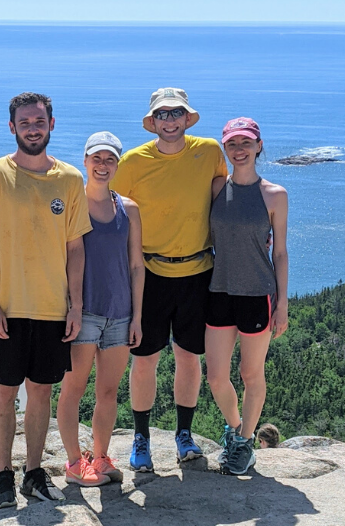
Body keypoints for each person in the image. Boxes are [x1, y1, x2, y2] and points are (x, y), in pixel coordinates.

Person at [0, 92, 91, 509]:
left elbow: (75, 249)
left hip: (52, 309)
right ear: (12, 127)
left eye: (39, 121)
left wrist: (76, 305)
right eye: (24, 122)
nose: (32, 128)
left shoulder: (70, 179)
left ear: (52, 124)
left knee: (41, 394)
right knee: (3, 393)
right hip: (5, 310)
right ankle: (3, 474)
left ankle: (34, 472)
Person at [110, 87, 228, 472]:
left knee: (189, 358)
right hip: (149, 273)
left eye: (177, 113)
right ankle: (141, 437)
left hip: (199, 272)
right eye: (163, 114)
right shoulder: (132, 161)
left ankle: (184, 435)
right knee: (143, 360)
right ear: (153, 122)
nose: (170, 120)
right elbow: (110, 210)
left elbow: (225, 195)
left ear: (187, 117)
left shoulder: (209, 151)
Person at [56, 132, 145, 487]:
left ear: (117, 164)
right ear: (85, 161)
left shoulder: (129, 209)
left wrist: (138, 316)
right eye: (97, 158)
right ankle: (75, 462)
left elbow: (136, 265)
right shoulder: (70, 203)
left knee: (108, 393)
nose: (103, 165)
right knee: (73, 389)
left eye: (110, 159)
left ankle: (101, 456)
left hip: (120, 314)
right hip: (84, 312)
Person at [204, 117, 290, 476]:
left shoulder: (274, 195)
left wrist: (282, 304)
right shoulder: (215, 187)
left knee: (251, 374)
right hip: (219, 289)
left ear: (258, 146)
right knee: (216, 377)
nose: (238, 150)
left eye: (245, 143)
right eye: (232, 144)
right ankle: (238, 430)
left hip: (258, 293)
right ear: (225, 148)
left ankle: (244, 442)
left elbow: (280, 253)